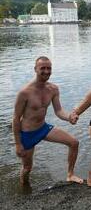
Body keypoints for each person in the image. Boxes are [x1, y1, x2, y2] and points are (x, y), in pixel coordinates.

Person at [12, 56, 83, 186]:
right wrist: (18, 144)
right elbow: (16, 118)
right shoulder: (24, 92)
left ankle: (70, 174)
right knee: (27, 168)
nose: (46, 71)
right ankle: (24, 187)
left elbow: (59, 111)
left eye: (49, 68)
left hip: (43, 128)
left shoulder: (53, 89)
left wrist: (69, 118)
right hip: (27, 134)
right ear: (35, 69)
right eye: (42, 68)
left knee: (74, 143)